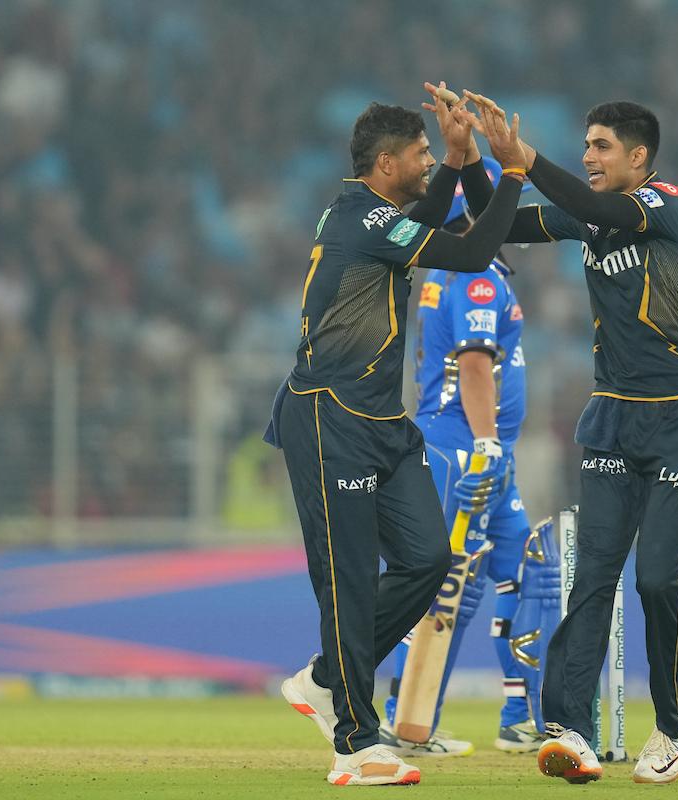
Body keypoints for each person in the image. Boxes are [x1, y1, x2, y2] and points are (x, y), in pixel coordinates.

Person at [263, 88, 529, 786]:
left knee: (425, 559)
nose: (425, 163)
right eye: (417, 155)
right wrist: (513, 174)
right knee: (348, 582)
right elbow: (471, 250)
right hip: (330, 418)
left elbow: (431, 216)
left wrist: (454, 157)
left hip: (381, 422)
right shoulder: (364, 219)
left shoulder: (368, 212)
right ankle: (354, 742)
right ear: (386, 164)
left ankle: (325, 680)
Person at [460, 93, 678, 785]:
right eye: (586, 146)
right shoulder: (589, 214)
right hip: (611, 418)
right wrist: (474, 163)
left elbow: (606, 210)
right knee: (592, 580)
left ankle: (673, 723)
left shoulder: (667, 203)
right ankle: (569, 728)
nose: (589, 155)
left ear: (639, 156)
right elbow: (498, 226)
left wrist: (527, 157)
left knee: (657, 578)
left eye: (602, 146)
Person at [379, 156, 547, 757]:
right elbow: (475, 365)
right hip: (462, 449)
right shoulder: (478, 280)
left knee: (530, 574)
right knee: (448, 586)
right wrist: (485, 446)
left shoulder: (464, 273)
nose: (515, 220)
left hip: (484, 452)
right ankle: (406, 722)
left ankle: (522, 715)